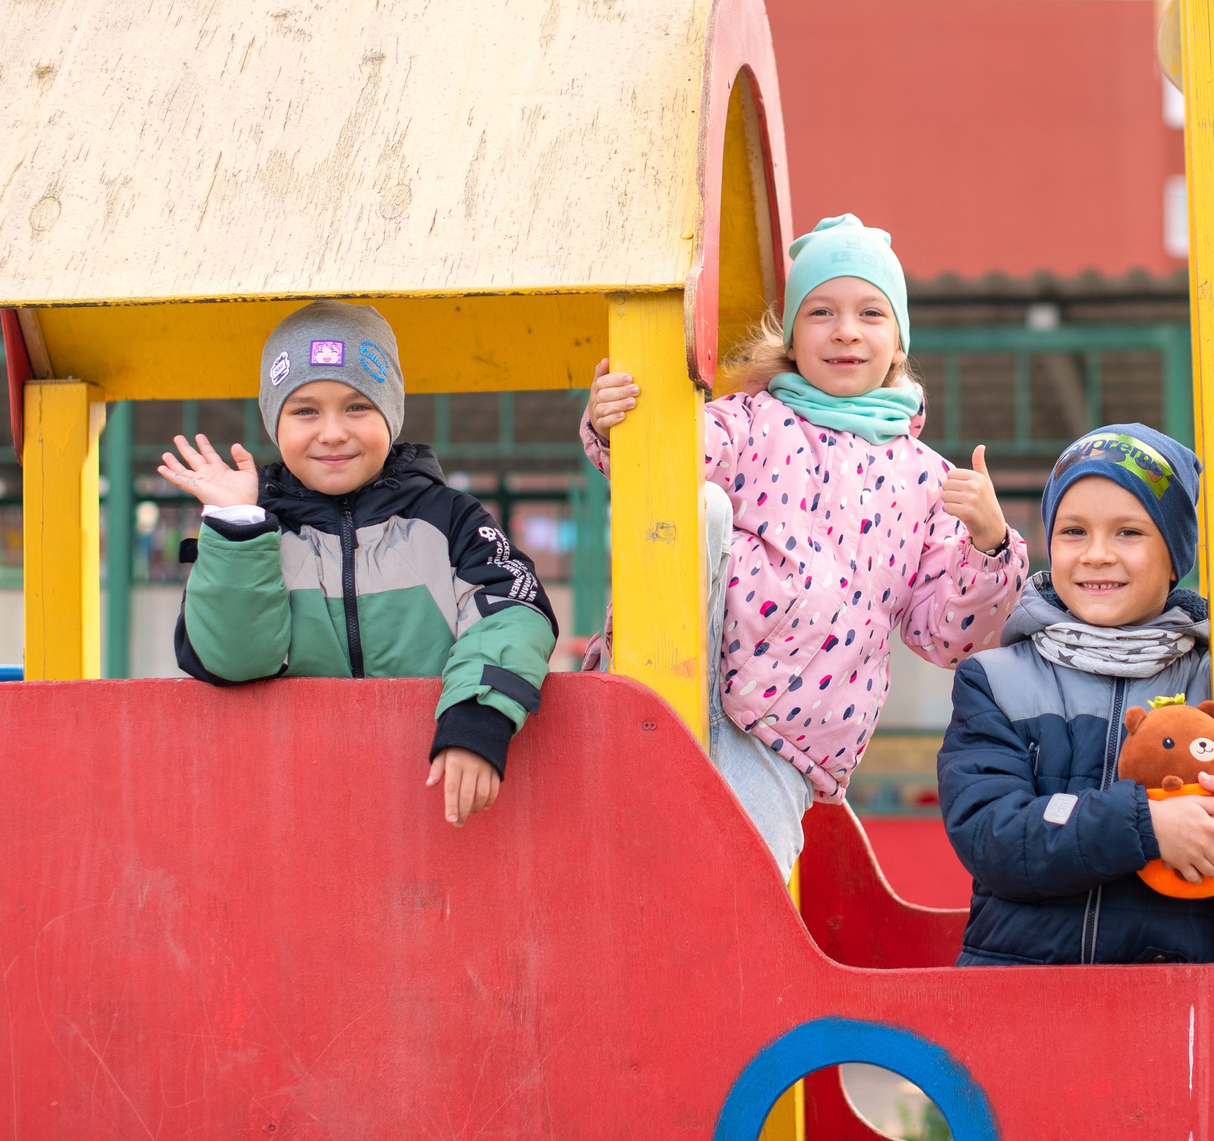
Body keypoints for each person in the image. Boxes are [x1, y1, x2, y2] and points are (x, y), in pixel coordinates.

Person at [585, 214, 1029, 875]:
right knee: (697, 503)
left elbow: (945, 635)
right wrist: (615, 418)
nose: (846, 329)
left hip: (793, 730)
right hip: (691, 675)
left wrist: (990, 544)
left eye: (870, 312)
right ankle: (642, 668)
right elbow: (659, 462)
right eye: (821, 311)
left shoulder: (926, 478)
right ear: (792, 338)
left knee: (743, 883)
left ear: (898, 343)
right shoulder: (754, 420)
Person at [938, 424, 1214, 964]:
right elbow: (992, 832)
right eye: (1073, 532)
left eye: (1129, 533)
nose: (1097, 555)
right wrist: (1146, 826)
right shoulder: (995, 680)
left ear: (1176, 556)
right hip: (1023, 1004)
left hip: (1182, 1012)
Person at [161, 301, 558, 828]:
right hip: (291, 809)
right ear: (273, 421)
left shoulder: (449, 517)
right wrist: (236, 526)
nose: (331, 432)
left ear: (390, 415)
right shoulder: (258, 529)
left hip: (434, 803)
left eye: (357, 407)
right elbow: (233, 660)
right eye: (304, 410)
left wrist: (476, 716)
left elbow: (514, 610)